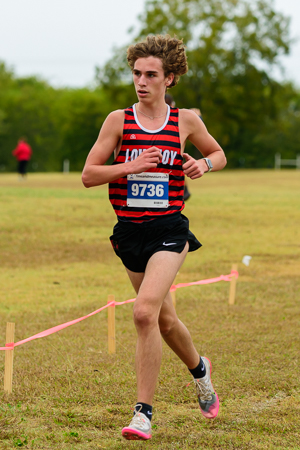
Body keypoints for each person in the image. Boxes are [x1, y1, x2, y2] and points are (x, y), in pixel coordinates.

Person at [82, 34, 227, 441]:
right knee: (164, 320)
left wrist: (203, 165)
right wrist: (127, 167)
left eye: (151, 74)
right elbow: (89, 175)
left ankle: (143, 414)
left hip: (169, 229)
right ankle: (200, 369)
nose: (141, 82)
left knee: (144, 312)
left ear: (170, 79)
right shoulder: (118, 121)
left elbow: (218, 154)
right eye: (136, 73)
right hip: (129, 234)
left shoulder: (184, 121)